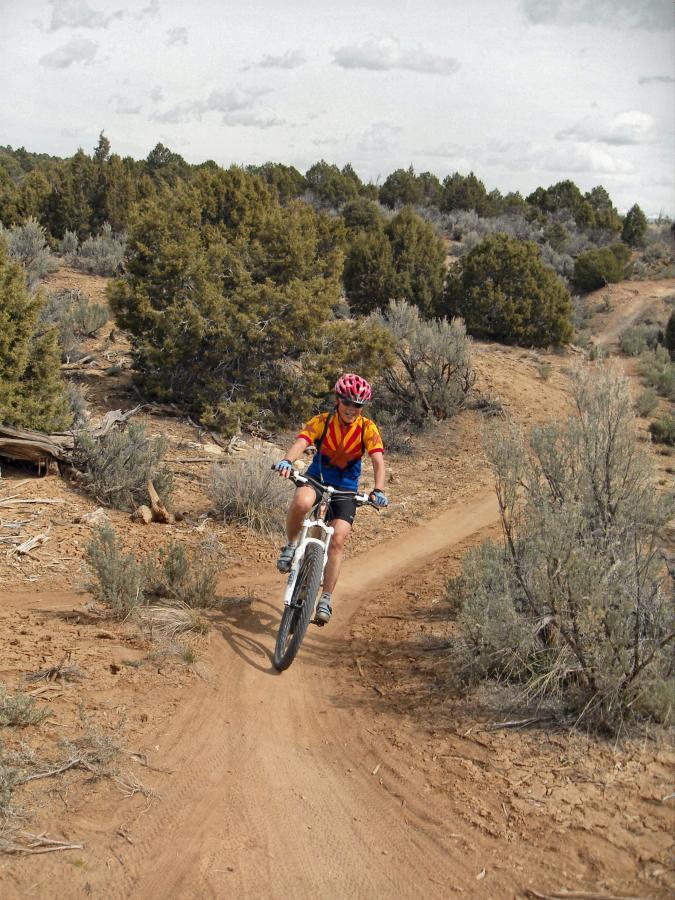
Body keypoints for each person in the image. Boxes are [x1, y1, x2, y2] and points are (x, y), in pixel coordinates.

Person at [273, 373, 388, 625]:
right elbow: (301, 442)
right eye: (347, 402)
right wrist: (287, 461)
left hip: (346, 488)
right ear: (338, 400)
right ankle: (291, 545)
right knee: (302, 502)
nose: (351, 409)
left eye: (357, 405)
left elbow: (378, 461)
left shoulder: (367, 428)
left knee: (337, 539)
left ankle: (325, 597)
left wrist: (378, 490)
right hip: (318, 477)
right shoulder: (322, 421)